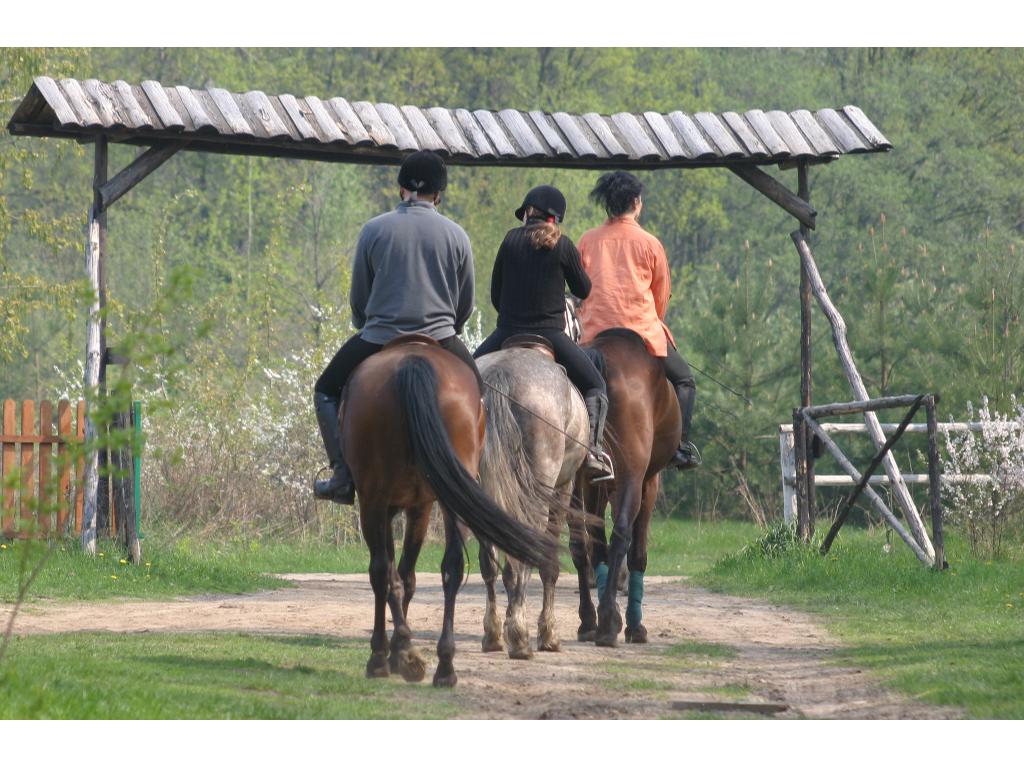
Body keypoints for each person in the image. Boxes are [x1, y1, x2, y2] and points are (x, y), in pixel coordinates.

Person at [313, 150, 481, 504]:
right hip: (440, 337)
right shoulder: (457, 235)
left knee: (326, 389)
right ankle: (477, 472)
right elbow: (464, 301)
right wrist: (451, 329)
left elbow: (360, 293)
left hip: (378, 337)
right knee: (479, 393)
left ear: (402, 188)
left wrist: (365, 322)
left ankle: (342, 474)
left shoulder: (373, 229)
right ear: (438, 194)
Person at [473, 184, 614, 481]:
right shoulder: (563, 245)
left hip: (506, 331)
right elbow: (584, 290)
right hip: (551, 335)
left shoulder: (510, 240)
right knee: (596, 383)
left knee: (464, 375)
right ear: (556, 217)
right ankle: (592, 451)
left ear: (528, 212)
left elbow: (496, 295)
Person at [577, 171, 701, 470]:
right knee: (685, 381)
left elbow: (580, 290)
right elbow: (661, 297)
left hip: (593, 335)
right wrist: (653, 324)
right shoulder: (650, 243)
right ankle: (679, 447)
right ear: (636, 202)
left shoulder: (587, 241)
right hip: (641, 334)